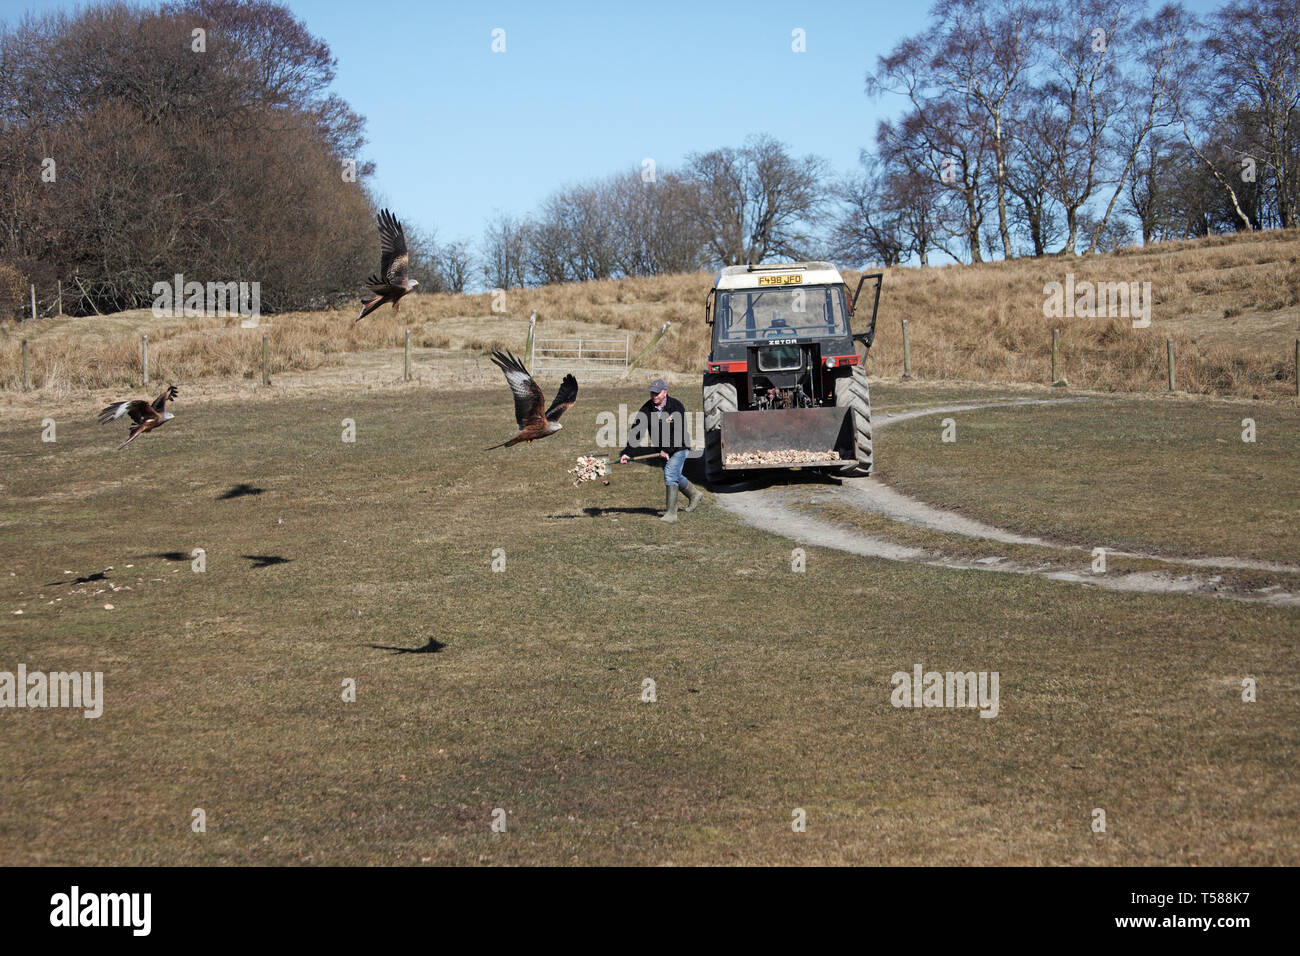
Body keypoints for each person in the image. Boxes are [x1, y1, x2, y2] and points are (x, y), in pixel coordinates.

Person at [618, 378, 703, 522]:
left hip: (679, 447)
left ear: (665, 392)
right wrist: (628, 452)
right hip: (662, 450)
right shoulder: (647, 408)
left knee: (670, 474)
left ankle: (671, 513)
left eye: (657, 393)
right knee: (674, 475)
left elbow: (678, 432)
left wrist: (667, 450)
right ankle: (694, 494)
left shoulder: (676, 406)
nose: (654, 396)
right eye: (652, 393)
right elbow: (636, 432)